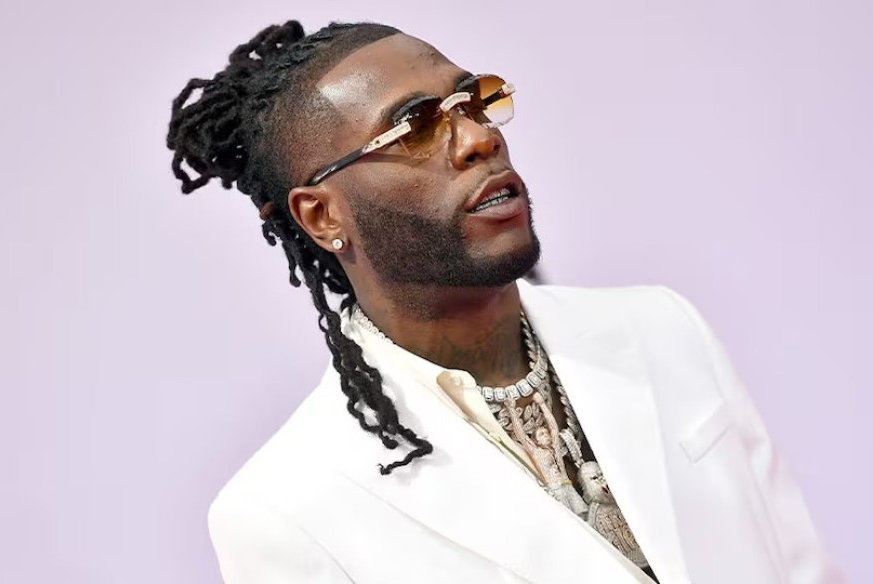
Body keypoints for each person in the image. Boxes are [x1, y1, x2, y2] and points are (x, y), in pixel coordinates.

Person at [166, 19, 840, 584]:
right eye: (415, 127)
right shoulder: (285, 510)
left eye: (472, 102)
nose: (479, 138)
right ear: (322, 215)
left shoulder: (661, 326)